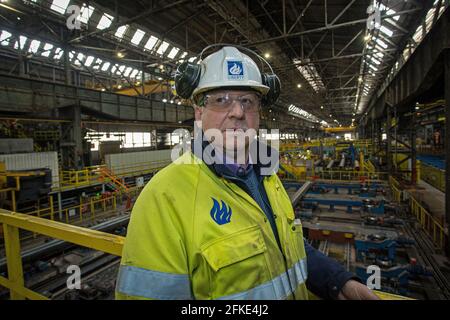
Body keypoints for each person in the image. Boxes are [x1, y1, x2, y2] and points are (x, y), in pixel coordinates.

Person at [115, 46, 379, 300]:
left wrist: (337, 281)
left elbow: (287, 248)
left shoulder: (268, 176)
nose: (238, 112)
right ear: (198, 113)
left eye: (247, 101)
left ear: (258, 113)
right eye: (221, 100)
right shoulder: (163, 199)